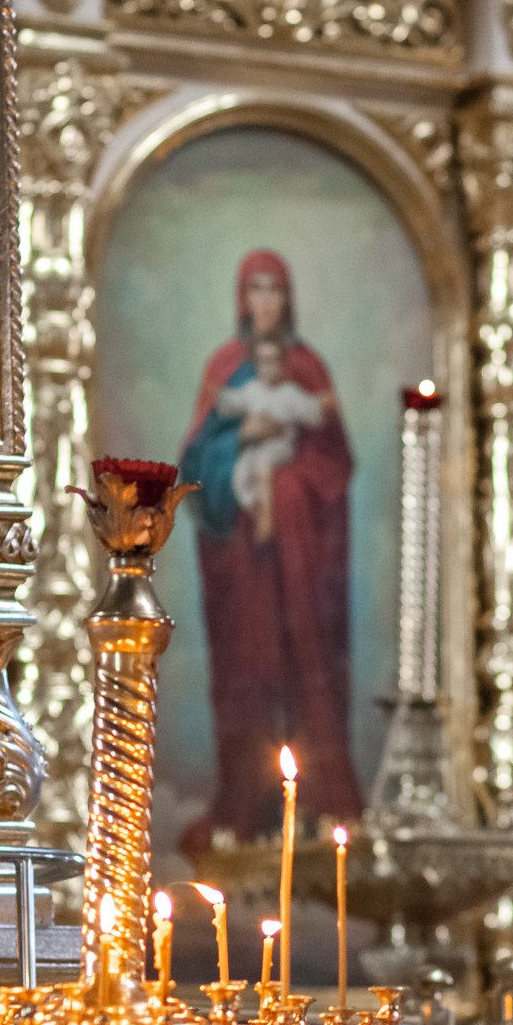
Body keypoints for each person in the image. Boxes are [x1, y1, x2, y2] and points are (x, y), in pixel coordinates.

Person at [176, 249, 360, 856]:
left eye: (273, 289)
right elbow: (196, 463)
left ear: (287, 298)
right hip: (245, 565)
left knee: (306, 675)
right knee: (248, 675)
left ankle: (321, 810)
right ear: (241, 298)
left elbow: (335, 464)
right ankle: (242, 809)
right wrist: (241, 446)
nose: (264, 302)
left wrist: (286, 490)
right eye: (254, 289)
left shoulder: (308, 368)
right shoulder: (225, 368)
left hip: (302, 567)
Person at [215, 333, 329, 543]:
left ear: (283, 364)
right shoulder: (252, 390)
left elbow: (311, 411)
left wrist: (321, 404)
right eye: (263, 361)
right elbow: (232, 402)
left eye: (273, 360)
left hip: (280, 447)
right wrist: (219, 396)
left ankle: (266, 523)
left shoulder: (289, 393)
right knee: (240, 473)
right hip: (255, 447)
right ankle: (255, 511)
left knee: (263, 463)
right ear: (256, 364)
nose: (268, 367)